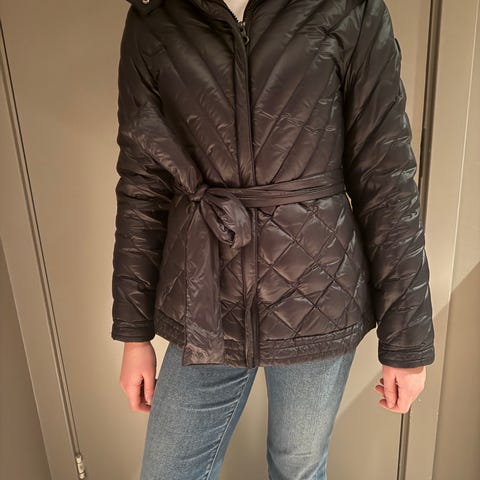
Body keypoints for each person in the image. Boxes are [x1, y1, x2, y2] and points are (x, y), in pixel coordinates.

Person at [111, 0, 436, 478]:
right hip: (205, 298)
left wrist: (407, 343)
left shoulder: (350, 8)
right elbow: (142, 186)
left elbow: (386, 177)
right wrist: (134, 333)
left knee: (298, 467)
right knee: (168, 470)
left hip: (318, 292)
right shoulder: (154, 15)